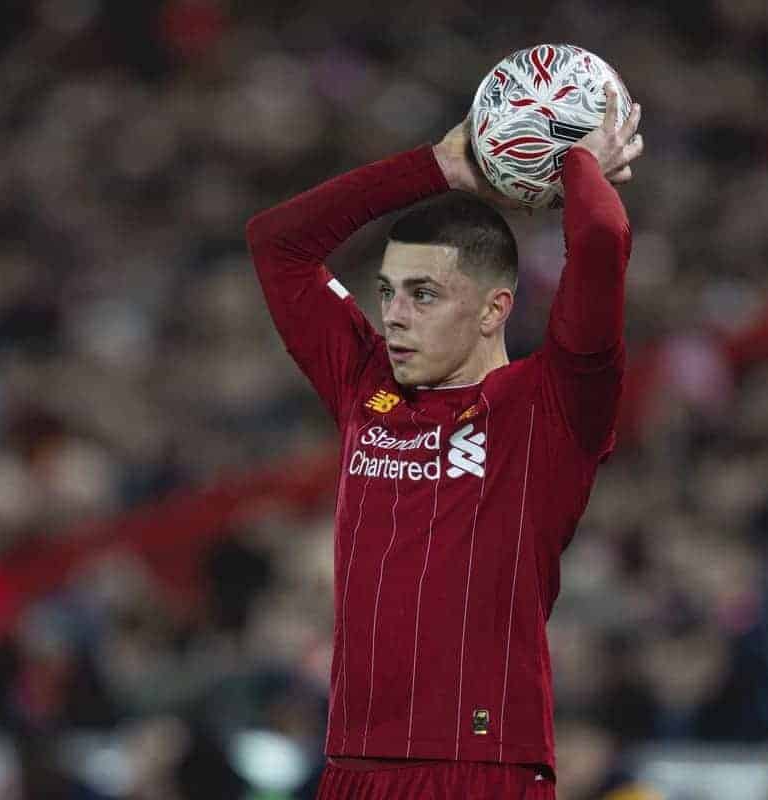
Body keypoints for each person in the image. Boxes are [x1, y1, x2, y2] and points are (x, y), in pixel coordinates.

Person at [245, 86, 643, 799]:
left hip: (479, 768)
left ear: (495, 309)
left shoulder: (549, 406)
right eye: (388, 291)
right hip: (351, 767)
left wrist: (578, 157)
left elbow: (602, 240)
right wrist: (435, 166)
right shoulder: (368, 388)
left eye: (423, 295)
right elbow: (278, 243)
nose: (392, 316)